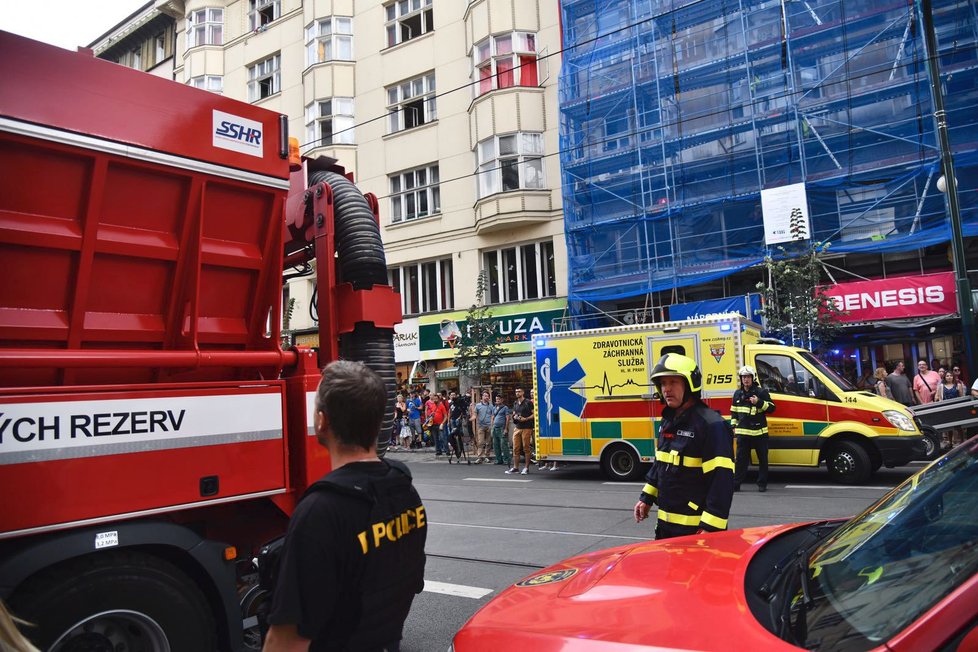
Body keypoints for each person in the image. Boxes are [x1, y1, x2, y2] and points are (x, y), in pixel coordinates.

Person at [264, 360, 427, 651]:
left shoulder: (320, 511)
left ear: (322, 421)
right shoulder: (404, 490)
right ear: (379, 422)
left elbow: (286, 641)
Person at [633, 354, 735, 540]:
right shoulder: (668, 421)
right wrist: (646, 498)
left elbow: (722, 481)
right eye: (663, 383)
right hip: (665, 528)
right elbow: (661, 463)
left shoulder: (711, 425)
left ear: (690, 384)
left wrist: (710, 530)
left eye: (673, 382)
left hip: (696, 532)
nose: (667, 389)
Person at [731, 365, 775, 493]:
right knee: (740, 461)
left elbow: (772, 408)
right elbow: (734, 412)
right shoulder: (737, 394)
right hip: (743, 434)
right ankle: (736, 484)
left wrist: (759, 402)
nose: (746, 380)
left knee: (763, 460)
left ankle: (762, 484)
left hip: (759, 434)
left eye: (748, 377)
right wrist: (733, 426)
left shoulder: (761, 392)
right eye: (744, 377)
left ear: (753, 378)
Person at [937, 369, 968, 448]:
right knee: (949, 426)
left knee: (959, 426)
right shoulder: (941, 386)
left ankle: (962, 441)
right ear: (945, 377)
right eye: (947, 376)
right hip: (946, 408)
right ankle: (950, 442)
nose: (949, 377)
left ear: (953, 377)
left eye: (951, 375)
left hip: (957, 408)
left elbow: (961, 397)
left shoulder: (958, 385)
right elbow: (940, 399)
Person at [511, 388, 535, 476]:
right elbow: (514, 413)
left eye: (519, 391)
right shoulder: (515, 403)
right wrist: (515, 417)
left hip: (527, 427)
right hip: (517, 427)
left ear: (523, 392)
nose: (517, 393)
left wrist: (526, 419)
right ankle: (515, 467)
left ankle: (526, 468)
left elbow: (534, 414)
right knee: (515, 448)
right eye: (516, 391)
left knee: (526, 448)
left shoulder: (528, 402)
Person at [472, 390, 494, 463]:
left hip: (489, 426)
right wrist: (473, 418)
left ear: (489, 397)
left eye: (487, 396)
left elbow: (492, 415)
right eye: (485, 395)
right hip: (480, 426)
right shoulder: (478, 405)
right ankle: (480, 457)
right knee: (480, 442)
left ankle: (487, 456)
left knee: (488, 442)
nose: (486, 397)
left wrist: (491, 424)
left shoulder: (491, 406)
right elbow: (475, 414)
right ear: (482, 397)